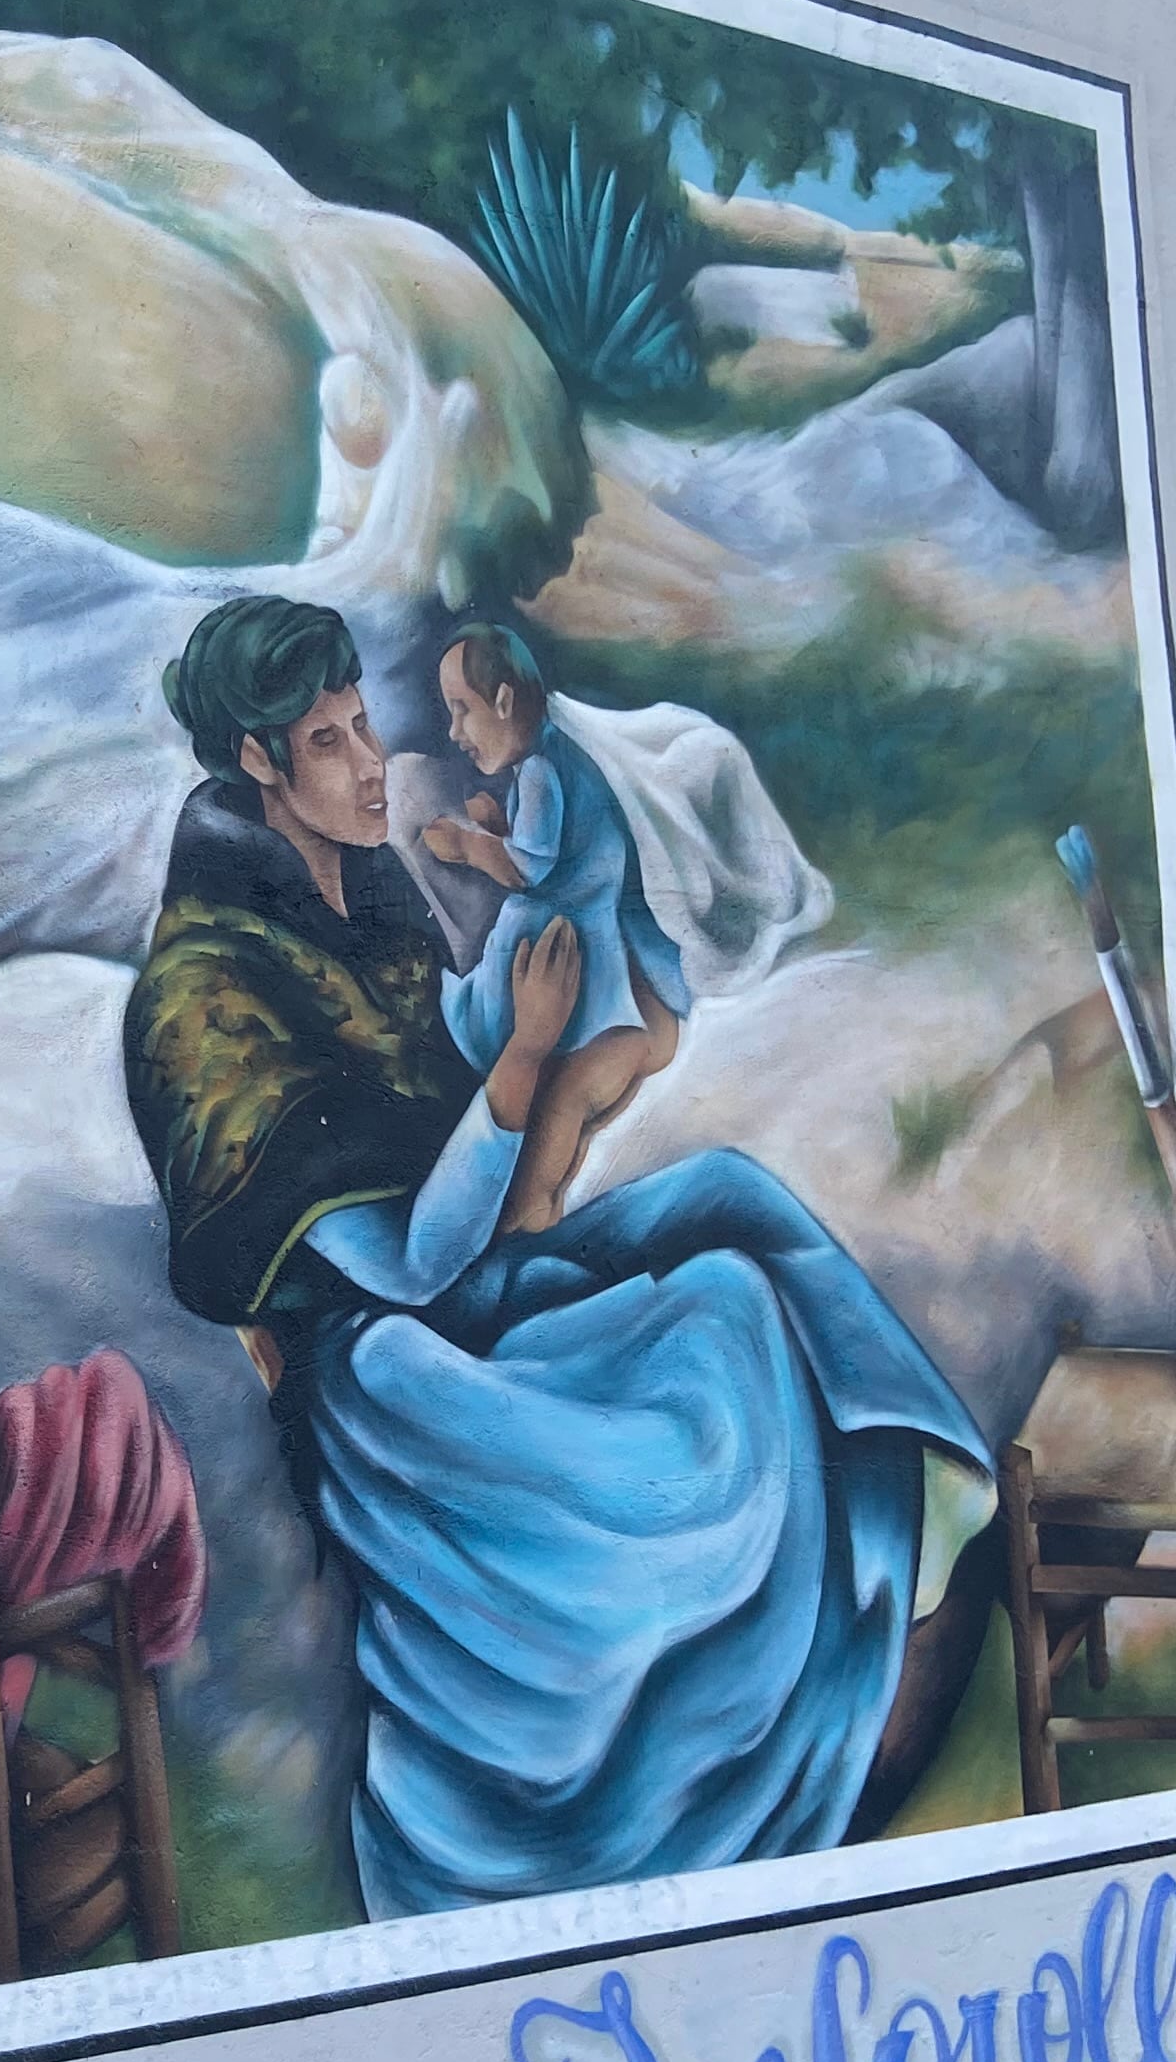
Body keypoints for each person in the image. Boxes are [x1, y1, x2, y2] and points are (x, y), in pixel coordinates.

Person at [122, 596, 986, 1915]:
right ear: (257, 766)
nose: (375, 765)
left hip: (470, 1275)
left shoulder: (368, 904)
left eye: (370, 727)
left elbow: (450, 1072)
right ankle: (672, 1794)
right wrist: (528, 1061)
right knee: (690, 1400)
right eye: (332, 741)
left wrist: (582, 1032)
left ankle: (894, 1515)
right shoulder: (203, 1002)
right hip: (386, 1365)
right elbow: (401, 1260)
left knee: (728, 1221)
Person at [414, 619, 692, 1236]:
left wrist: (464, 845)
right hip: (595, 958)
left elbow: (527, 870)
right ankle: (543, 1213)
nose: (455, 732)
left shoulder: (540, 768)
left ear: (505, 701)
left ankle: (525, 1221)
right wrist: (499, 825)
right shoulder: (556, 757)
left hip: (577, 969)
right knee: (569, 1124)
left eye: (462, 711)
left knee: (554, 1107)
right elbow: (560, 842)